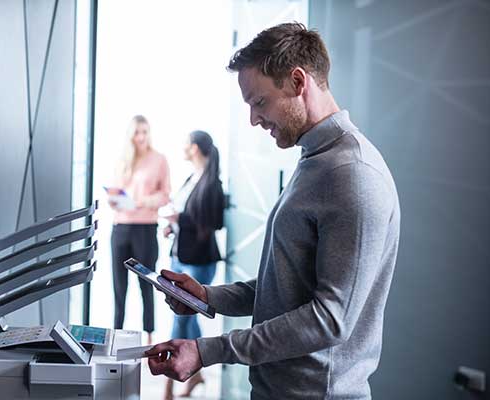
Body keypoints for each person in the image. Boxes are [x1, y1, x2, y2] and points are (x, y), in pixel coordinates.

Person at [146, 22, 401, 400]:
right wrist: (206, 295)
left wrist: (208, 350)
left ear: (298, 82)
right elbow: (284, 288)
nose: (253, 119)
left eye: (259, 102)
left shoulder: (353, 175)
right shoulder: (315, 161)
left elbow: (330, 320)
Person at [161, 130, 224, 399]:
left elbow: (213, 222)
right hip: (182, 255)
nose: (184, 148)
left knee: (181, 318)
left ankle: (168, 383)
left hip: (198, 261)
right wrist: (173, 225)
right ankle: (196, 373)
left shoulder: (212, 184)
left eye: (187, 144)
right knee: (188, 317)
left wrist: (181, 219)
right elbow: (188, 216)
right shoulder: (191, 177)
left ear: (196, 148)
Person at [109, 115, 170, 345]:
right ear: (131, 135)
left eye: (145, 131)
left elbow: (165, 195)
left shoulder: (159, 160)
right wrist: (115, 200)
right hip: (120, 228)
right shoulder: (124, 160)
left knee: (147, 284)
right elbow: (116, 192)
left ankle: (149, 339)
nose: (142, 137)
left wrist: (143, 201)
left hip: (145, 229)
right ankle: (115, 338)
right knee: (119, 286)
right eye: (137, 132)